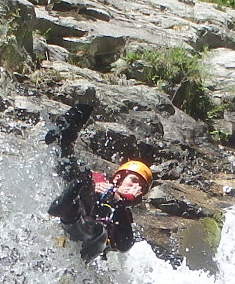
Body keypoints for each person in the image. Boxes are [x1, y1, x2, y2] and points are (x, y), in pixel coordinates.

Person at [44, 102, 154, 259]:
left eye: (142, 188)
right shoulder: (97, 180)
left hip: (88, 238)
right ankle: (64, 137)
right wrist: (96, 187)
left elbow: (124, 244)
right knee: (80, 175)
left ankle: (65, 208)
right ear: (118, 177)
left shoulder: (122, 213)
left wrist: (119, 201)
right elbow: (81, 180)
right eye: (134, 180)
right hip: (72, 211)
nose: (137, 188)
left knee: (99, 234)